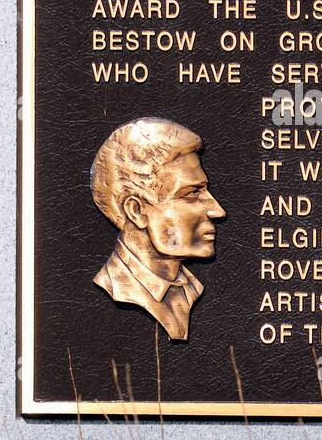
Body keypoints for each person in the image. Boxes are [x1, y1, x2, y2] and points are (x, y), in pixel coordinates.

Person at [89, 118, 225, 340]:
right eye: (191, 194)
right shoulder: (115, 290)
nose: (217, 211)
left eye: (205, 192)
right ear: (137, 211)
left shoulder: (192, 290)